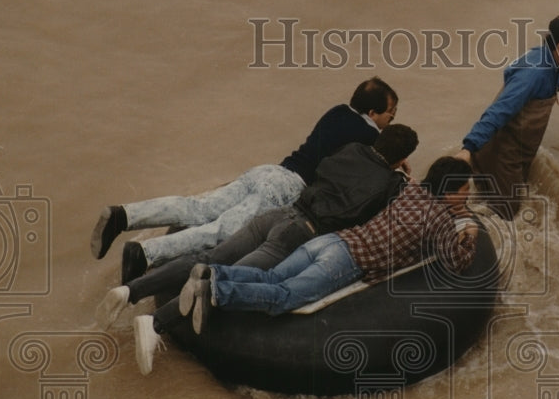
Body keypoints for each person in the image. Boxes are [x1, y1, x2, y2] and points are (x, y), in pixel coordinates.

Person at [131, 157, 478, 375]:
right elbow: (456, 263)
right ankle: (217, 287)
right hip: (345, 262)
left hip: (328, 241)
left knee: (271, 275)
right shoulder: (439, 221)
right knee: (283, 296)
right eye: (464, 190)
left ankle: (214, 273)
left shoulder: (410, 192)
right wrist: (468, 231)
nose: (468, 196)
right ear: (449, 192)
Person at [98, 122, 419, 334]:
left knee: (210, 257)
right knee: (222, 278)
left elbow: (326, 170)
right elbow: (384, 210)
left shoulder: (350, 149)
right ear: (401, 158)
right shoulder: (389, 183)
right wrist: (399, 175)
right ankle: (154, 326)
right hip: (301, 234)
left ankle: (131, 291)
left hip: (281, 213)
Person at [91, 77, 398, 281]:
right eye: (389, 115)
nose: (389, 122)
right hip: (287, 189)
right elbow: (371, 156)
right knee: (220, 232)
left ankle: (124, 215)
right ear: (372, 113)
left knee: (199, 209)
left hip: (270, 171)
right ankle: (145, 253)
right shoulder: (369, 134)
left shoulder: (337, 111)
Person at [456, 12, 559, 219]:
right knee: (505, 215)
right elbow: (499, 111)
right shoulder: (533, 75)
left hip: (514, 152)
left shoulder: (550, 62)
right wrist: (468, 148)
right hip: (502, 154)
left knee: (488, 202)